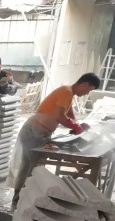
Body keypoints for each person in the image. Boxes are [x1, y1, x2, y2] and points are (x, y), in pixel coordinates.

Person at [7, 72, 100, 208]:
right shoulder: (66, 91)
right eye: (89, 89)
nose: (87, 93)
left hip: (40, 132)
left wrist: (78, 125)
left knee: (35, 167)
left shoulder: (69, 94)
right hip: (33, 131)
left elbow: (69, 115)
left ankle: (27, 200)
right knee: (29, 167)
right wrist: (76, 127)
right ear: (84, 84)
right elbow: (59, 116)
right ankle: (18, 202)